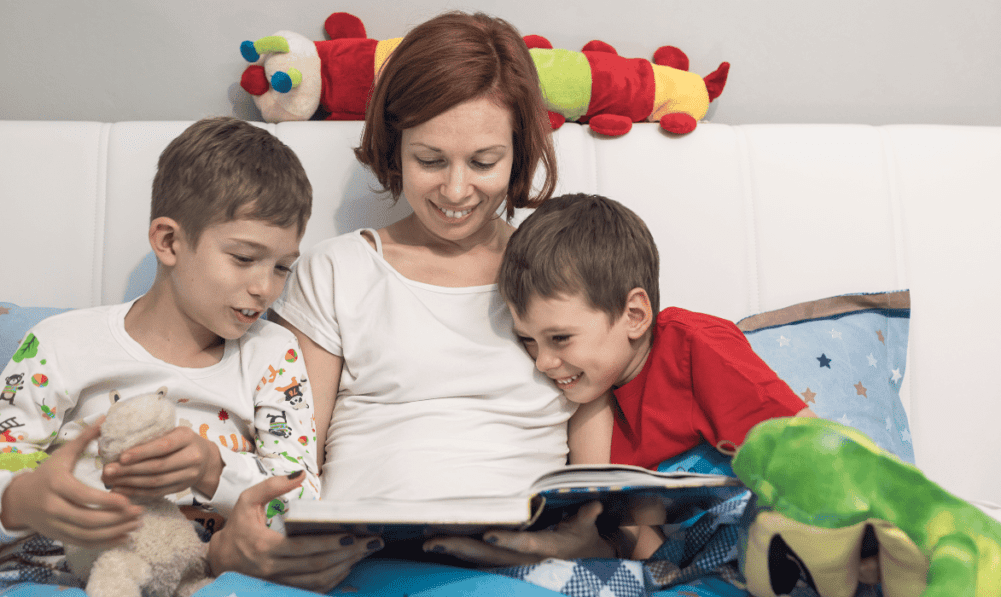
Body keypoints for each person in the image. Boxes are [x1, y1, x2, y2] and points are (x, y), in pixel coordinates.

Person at [269, 10, 615, 564]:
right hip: (365, 557)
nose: (456, 191)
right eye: (429, 160)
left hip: (526, 555)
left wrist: (589, 533)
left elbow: (596, 402)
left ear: (518, 151)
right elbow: (288, 439)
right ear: (395, 149)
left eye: (483, 161)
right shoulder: (337, 271)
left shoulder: (561, 274)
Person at [0, 117, 376, 591]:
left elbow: (300, 496)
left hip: (195, 570)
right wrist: (23, 499)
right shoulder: (61, 344)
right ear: (169, 241)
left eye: (283, 267)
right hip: (56, 569)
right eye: (244, 259)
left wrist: (213, 471)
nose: (264, 287)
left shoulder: (273, 354)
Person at [485, 192, 818, 559]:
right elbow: (633, 538)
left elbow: (807, 447)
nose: (542, 362)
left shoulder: (693, 347)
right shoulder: (587, 394)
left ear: (634, 315)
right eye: (528, 340)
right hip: (678, 554)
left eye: (560, 338)